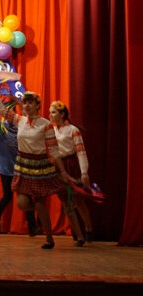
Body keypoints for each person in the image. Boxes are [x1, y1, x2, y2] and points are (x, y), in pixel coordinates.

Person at [0, 80, 84, 249]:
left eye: (30, 102)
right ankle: (42, 219)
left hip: (40, 167)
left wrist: (63, 172)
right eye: (25, 102)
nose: (26, 105)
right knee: (21, 203)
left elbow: (54, 150)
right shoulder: (20, 120)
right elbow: (0, 109)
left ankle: (49, 239)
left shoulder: (46, 124)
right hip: (23, 166)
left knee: (40, 203)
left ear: (37, 105)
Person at [0, 101, 38, 236]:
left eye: (11, 113)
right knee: (7, 196)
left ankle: (32, 227)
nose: (8, 116)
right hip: (5, 168)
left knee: (26, 195)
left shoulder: (22, 127)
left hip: (21, 168)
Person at [49, 100, 94, 242]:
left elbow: (81, 152)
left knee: (78, 199)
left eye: (53, 112)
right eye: (50, 112)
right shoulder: (51, 129)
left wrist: (84, 172)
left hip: (71, 165)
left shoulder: (73, 130)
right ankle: (79, 236)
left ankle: (88, 228)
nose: (50, 115)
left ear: (62, 114)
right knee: (66, 202)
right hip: (58, 167)